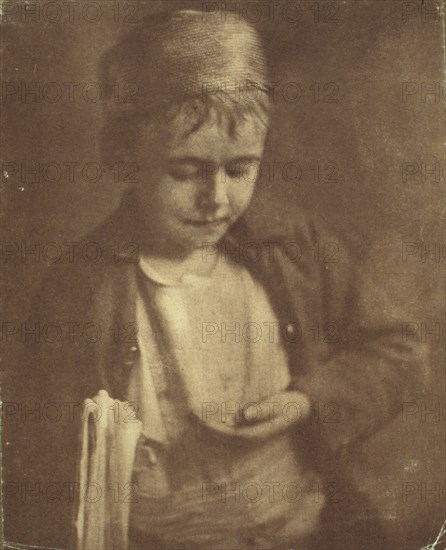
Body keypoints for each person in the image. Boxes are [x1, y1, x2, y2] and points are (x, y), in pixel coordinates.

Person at [8, 9, 428, 549]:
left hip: (301, 529)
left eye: (240, 169)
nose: (217, 200)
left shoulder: (292, 246)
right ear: (124, 160)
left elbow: (399, 351)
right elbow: (38, 454)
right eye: (184, 172)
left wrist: (306, 401)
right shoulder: (79, 287)